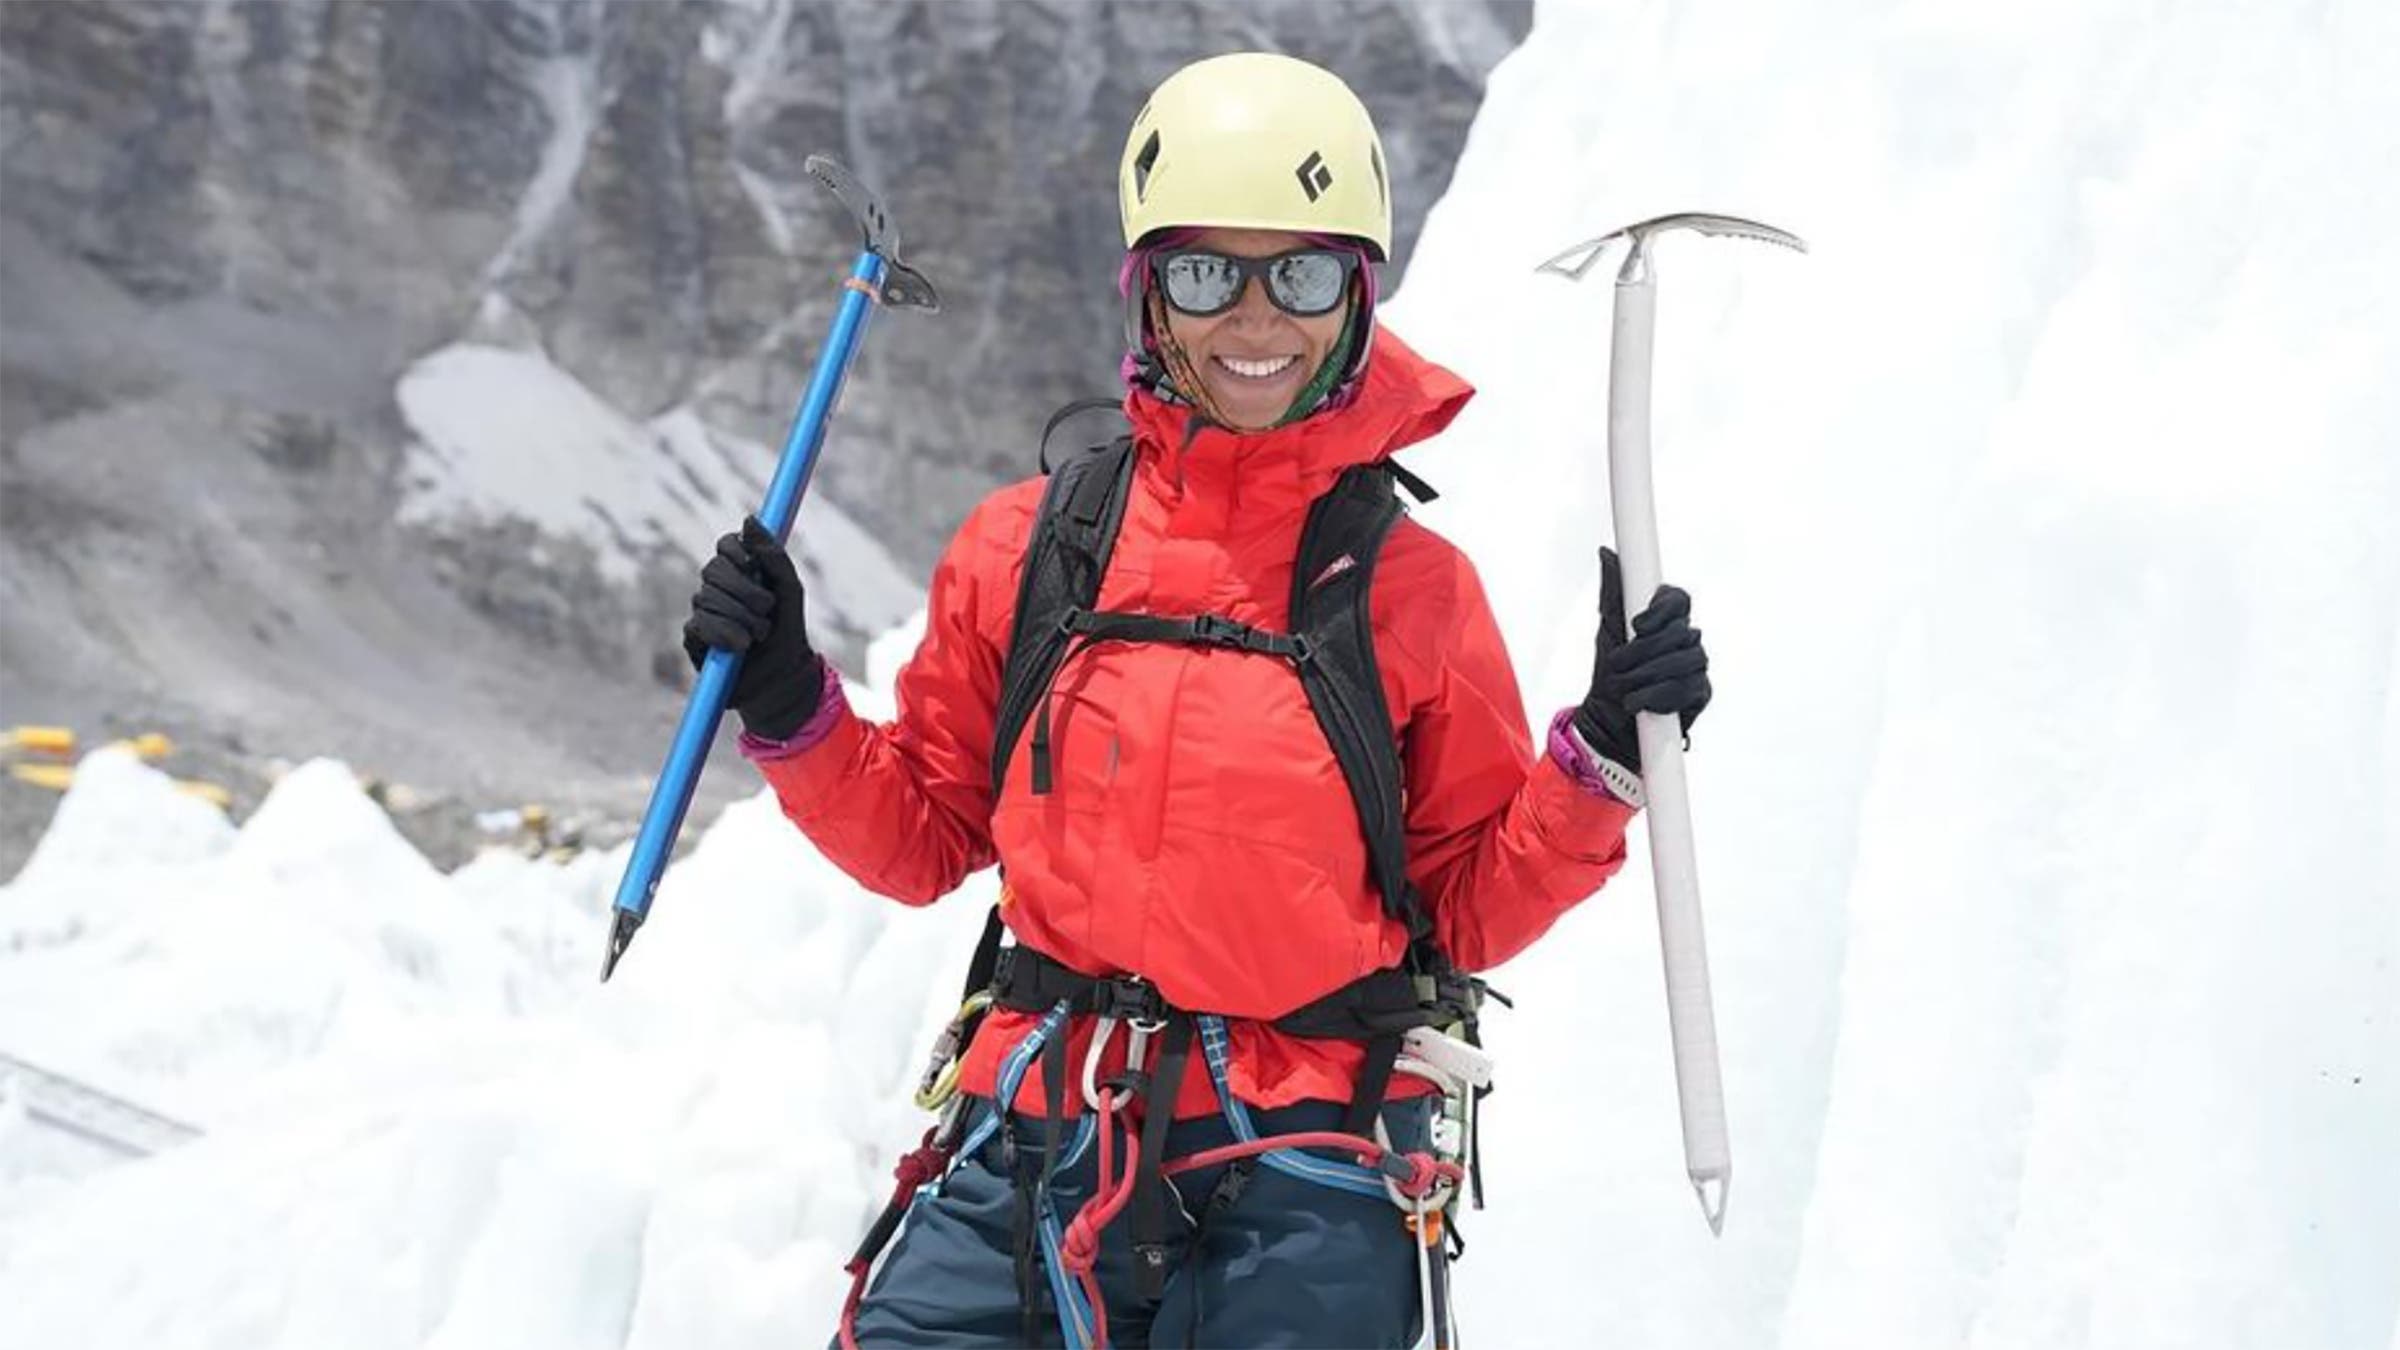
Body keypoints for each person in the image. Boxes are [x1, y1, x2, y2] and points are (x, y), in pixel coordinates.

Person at [684, 51, 1713, 1350]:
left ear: (1357, 293)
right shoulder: (1029, 547)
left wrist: (1602, 762)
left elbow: (1465, 898)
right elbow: (924, 832)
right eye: (1204, 272)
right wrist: (789, 698)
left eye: (1298, 273)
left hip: (1305, 1161)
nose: (1253, 320)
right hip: (1034, 1135)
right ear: (1147, 291)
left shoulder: (1409, 590)